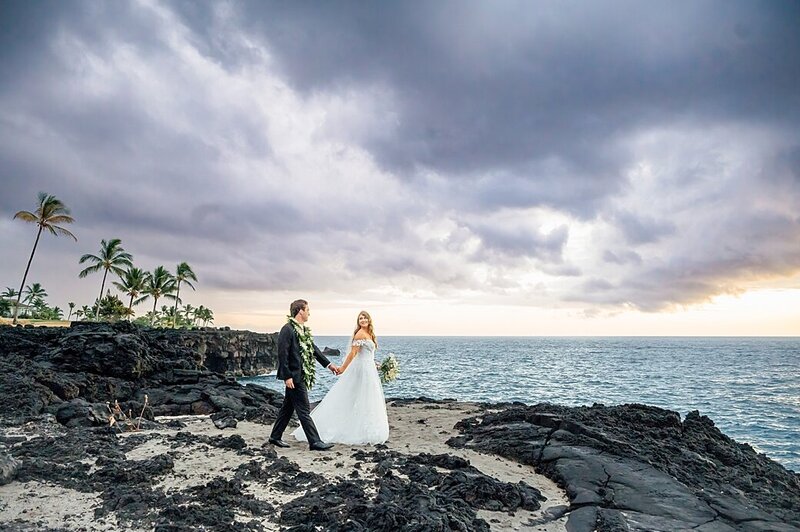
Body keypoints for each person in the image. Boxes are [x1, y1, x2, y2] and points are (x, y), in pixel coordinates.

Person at [292, 310, 389, 445]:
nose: (362, 320)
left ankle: (363, 428)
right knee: (362, 396)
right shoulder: (360, 334)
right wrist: (342, 369)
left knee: (365, 397)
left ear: (369, 320)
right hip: (363, 370)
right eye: (360, 318)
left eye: (365, 318)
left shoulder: (369, 334)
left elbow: (366, 354)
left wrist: (375, 363)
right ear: (358, 321)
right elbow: (353, 354)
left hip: (368, 368)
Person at [269, 299, 340, 451]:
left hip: (300, 375)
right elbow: (282, 354)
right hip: (294, 377)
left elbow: (314, 350)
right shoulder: (287, 329)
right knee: (304, 410)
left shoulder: (303, 330)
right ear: (300, 311)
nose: (309, 313)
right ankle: (314, 442)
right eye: (307, 310)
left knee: (287, 408)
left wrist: (329, 365)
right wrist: (287, 376)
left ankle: (275, 437)